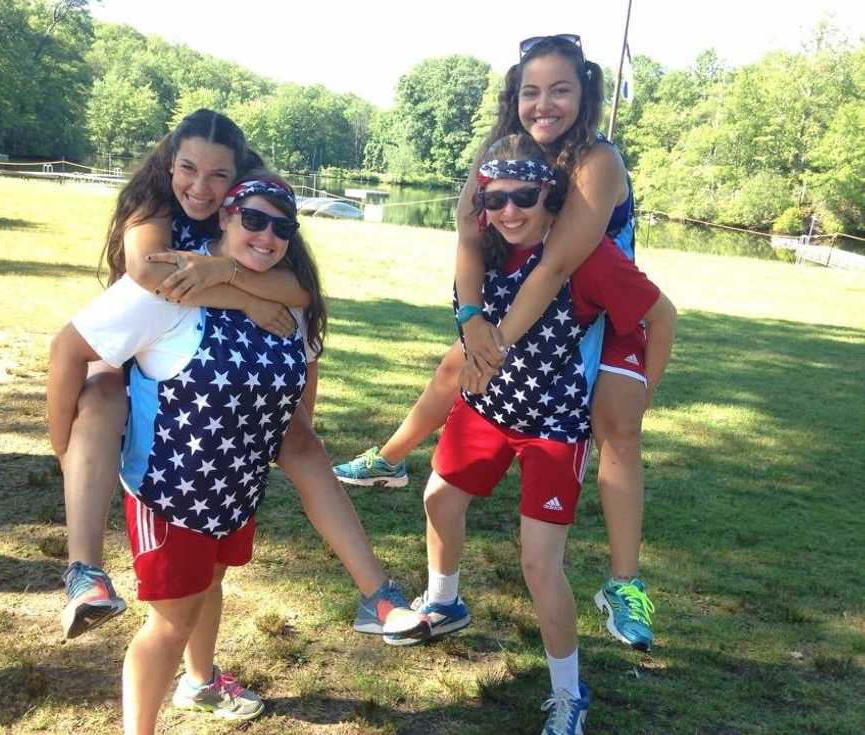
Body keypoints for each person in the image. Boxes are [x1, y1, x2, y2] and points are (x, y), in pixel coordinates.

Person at [334, 34, 663, 652]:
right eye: (531, 91)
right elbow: (468, 232)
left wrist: (495, 340)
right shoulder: (503, 153)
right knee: (453, 370)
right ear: (514, 96)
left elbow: (558, 265)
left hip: (599, 304)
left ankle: (624, 582)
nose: (544, 105)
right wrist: (471, 320)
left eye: (560, 90)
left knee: (618, 427)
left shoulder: (596, 160)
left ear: (584, 92)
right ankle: (392, 460)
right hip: (537, 304)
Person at [58, 109, 428, 646]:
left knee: (303, 442)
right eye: (189, 169)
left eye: (218, 175)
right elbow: (148, 274)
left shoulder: (253, 216)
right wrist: (241, 298)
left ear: (237, 178)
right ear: (170, 162)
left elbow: (300, 291)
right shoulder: (154, 200)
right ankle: (84, 569)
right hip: (137, 337)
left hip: (206, 346)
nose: (201, 188)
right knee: (99, 397)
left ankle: (377, 595)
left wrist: (229, 272)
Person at [400, 134, 675, 735]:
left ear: (551, 197)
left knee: (539, 564)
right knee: (439, 498)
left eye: (523, 197)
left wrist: (644, 393)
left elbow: (661, 315)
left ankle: (568, 694)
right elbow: (467, 261)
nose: (509, 211)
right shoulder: (487, 245)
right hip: (487, 408)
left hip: (554, 425)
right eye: (494, 199)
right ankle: (444, 602)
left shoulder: (587, 257)